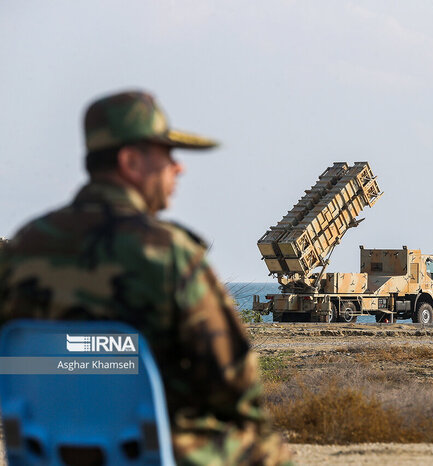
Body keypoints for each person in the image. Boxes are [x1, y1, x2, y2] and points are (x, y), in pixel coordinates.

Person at [0, 90, 292, 465]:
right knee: (267, 450)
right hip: (148, 451)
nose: (178, 167)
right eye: (167, 155)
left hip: (45, 451)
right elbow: (235, 384)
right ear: (131, 161)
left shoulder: (22, 247)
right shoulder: (169, 253)